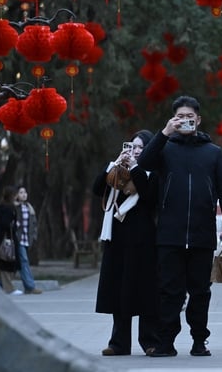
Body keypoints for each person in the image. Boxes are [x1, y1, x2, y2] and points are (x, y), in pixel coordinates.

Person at [137, 95, 222, 357]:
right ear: (173, 119)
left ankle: (199, 340)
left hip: (202, 235)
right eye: (179, 117)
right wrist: (164, 133)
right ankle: (166, 342)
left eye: (189, 117)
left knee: (200, 292)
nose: (185, 120)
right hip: (169, 234)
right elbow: (144, 163)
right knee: (169, 292)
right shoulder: (165, 149)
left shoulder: (213, 153)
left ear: (198, 119)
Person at [92, 129, 160, 356]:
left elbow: (150, 197)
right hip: (118, 238)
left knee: (145, 290)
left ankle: (150, 341)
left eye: (141, 147)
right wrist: (113, 165)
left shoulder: (152, 172)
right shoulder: (117, 170)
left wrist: (134, 167)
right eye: (133, 146)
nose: (136, 151)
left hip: (144, 239)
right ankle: (118, 343)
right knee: (119, 290)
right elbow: (97, 189)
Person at [0, 185, 22, 295]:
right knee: (5, 264)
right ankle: (9, 289)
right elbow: (6, 223)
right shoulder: (8, 208)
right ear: (12, 195)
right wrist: (14, 226)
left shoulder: (1, 207)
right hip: (5, 240)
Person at [14, 186, 42, 295]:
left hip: (27, 239)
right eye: (21, 192)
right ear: (16, 195)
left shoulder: (29, 207)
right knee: (24, 261)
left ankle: (0, 285)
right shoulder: (15, 208)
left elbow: (34, 224)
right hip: (18, 239)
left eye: (25, 192)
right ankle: (30, 286)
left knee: (18, 263)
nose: (24, 194)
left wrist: (34, 236)